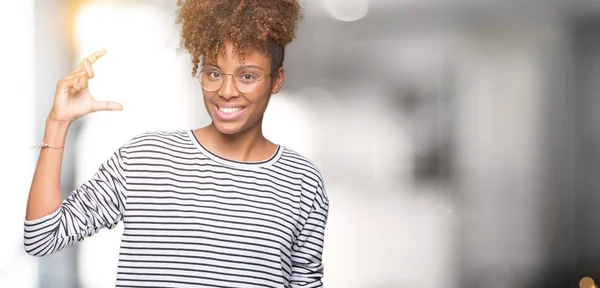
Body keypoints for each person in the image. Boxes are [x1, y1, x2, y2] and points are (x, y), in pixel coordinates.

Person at [23, 0, 329, 287]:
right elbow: (42, 237)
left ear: (276, 80)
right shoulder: (145, 159)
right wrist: (58, 123)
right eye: (213, 73)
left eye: (247, 76)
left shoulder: (302, 182)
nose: (226, 91)